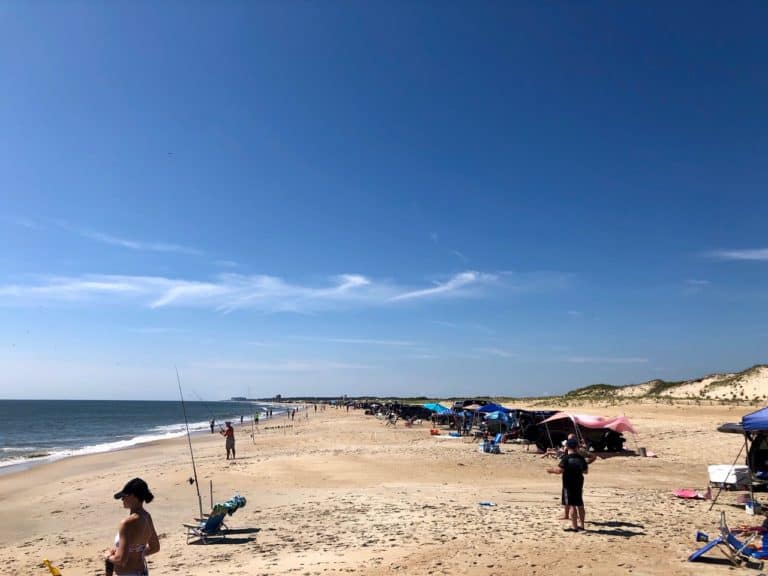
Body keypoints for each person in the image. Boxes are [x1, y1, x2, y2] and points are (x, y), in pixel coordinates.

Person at [105, 478, 159, 576]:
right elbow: (154, 547)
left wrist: (108, 556)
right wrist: (136, 552)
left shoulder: (127, 523)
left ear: (133, 496)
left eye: (124, 496)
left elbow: (120, 559)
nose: (122, 499)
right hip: (142, 572)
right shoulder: (146, 517)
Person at [547, 437, 589, 531]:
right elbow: (585, 471)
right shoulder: (581, 458)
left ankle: (574, 527)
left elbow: (560, 470)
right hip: (579, 482)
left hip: (568, 483)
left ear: (567, 447)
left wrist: (551, 470)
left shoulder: (566, 459)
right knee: (580, 504)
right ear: (577, 447)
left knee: (572, 505)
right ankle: (582, 525)